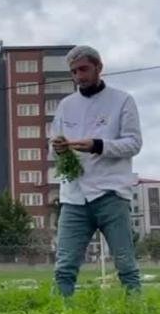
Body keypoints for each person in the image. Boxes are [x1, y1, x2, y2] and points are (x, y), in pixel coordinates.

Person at [50, 45, 143, 297]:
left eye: (84, 69)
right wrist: (58, 149)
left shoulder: (122, 100)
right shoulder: (66, 106)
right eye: (74, 72)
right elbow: (53, 150)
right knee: (64, 268)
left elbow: (134, 143)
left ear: (98, 67)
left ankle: (136, 312)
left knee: (126, 265)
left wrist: (98, 145)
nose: (79, 76)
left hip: (110, 193)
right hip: (74, 197)